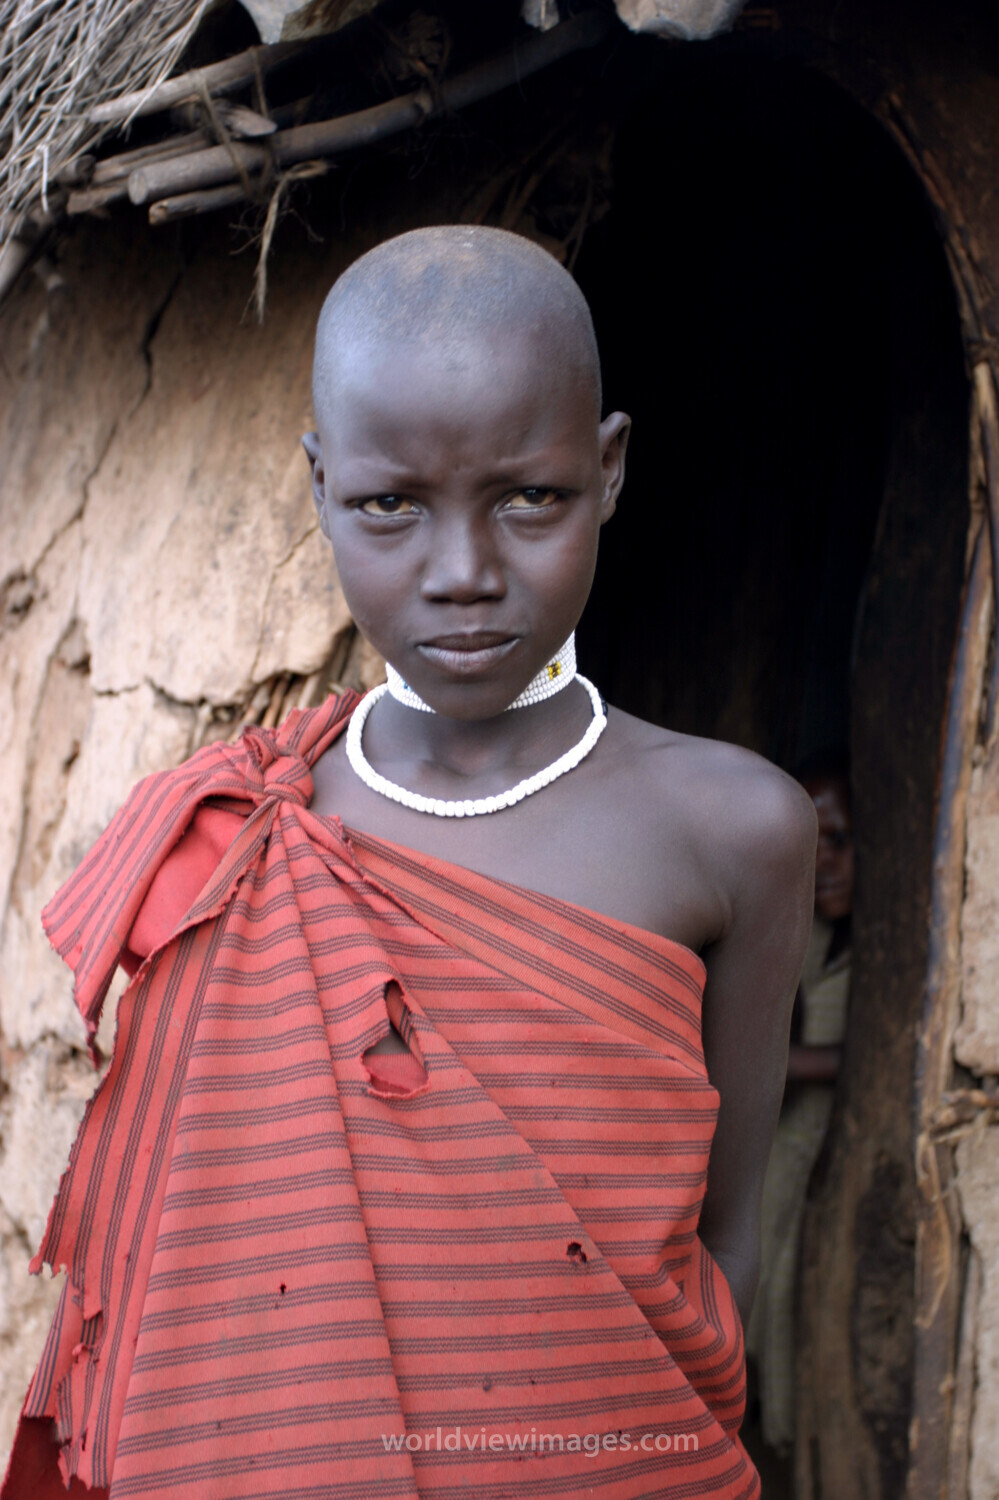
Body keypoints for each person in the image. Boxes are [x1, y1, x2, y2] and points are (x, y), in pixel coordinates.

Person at [3, 226, 816, 1499]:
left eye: (528, 498)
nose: (463, 573)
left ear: (607, 472)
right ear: (320, 485)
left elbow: (731, 1238)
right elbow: (186, 1263)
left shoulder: (738, 830)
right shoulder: (239, 840)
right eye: (391, 505)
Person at [746, 751, 853, 1455]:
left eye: (841, 841)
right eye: (814, 848)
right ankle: (777, 1435)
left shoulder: (884, 938)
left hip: (836, 1143)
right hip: (784, 1140)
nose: (830, 865)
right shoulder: (799, 936)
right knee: (769, 1284)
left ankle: (790, 1436)